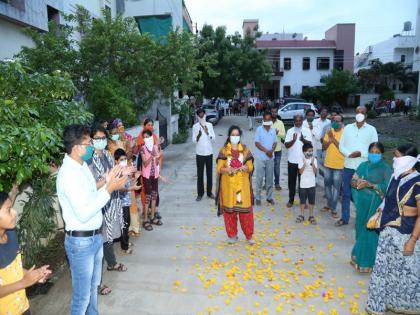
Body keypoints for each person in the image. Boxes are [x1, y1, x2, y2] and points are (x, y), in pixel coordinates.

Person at [56, 124, 126, 315]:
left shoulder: (81, 166)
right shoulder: (69, 174)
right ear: (77, 146)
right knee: (82, 298)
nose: (91, 146)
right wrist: (110, 189)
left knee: (92, 292)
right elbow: (84, 213)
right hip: (81, 242)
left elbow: (92, 191)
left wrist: (108, 179)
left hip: (95, 238)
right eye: (88, 143)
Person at [366, 144, 420, 315]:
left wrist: (412, 241)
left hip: (406, 235)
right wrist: (380, 210)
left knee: (404, 274)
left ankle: (402, 304)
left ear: (408, 160)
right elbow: (389, 199)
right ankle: (382, 303)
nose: (394, 160)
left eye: (398, 157)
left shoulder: (417, 182)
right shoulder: (396, 177)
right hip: (388, 234)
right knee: (385, 271)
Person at [0, 191, 51, 315]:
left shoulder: (11, 233)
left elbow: (12, 269)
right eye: (8, 210)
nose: (15, 212)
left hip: (22, 307)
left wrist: (33, 275)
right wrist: (24, 282)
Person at [88, 126, 128, 274]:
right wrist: (107, 180)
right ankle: (106, 269)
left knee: (107, 235)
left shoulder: (107, 154)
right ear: (91, 140)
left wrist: (122, 174)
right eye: (97, 139)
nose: (101, 141)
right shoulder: (89, 160)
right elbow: (92, 185)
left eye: (103, 138)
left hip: (111, 200)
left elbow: (114, 174)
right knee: (103, 236)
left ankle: (111, 263)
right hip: (99, 202)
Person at [350, 142, 392, 273]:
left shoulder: (386, 168)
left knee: (369, 231)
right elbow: (353, 180)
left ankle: (368, 262)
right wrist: (357, 183)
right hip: (362, 203)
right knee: (360, 227)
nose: (374, 154)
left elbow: (388, 187)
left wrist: (371, 185)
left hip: (375, 204)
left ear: (382, 154)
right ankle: (358, 257)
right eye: (372, 152)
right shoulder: (363, 165)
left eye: (377, 152)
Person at [337, 106, 378, 226]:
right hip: (348, 165)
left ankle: (363, 219)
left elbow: (375, 149)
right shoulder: (348, 128)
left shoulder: (372, 130)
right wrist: (349, 154)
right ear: (355, 114)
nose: (360, 114)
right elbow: (341, 145)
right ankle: (345, 218)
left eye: (362, 112)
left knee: (363, 194)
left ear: (366, 115)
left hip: (363, 167)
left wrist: (361, 154)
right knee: (346, 193)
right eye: (357, 112)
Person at [216, 126, 255, 245]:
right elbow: (219, 168)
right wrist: (227, 170)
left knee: (245, 213)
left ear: (240, 136)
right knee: (229, 213)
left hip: (241, 188)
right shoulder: (223, 151)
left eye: (237, 135)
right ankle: (232, 236)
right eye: (232, 135)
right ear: (229, 136)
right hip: (228, 187)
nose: (234, 137)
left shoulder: (245, 150)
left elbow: (251, 166)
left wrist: (246, 167)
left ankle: (249, 236)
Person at [114, 148, 141, 254]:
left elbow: (129, 184)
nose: (124, 161)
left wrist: (136, 178)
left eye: (125, 159)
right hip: (121, 203)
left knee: (126, 222)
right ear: (116, 161)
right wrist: (132, 188)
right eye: (121, 159)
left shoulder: (126, 171)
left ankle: (125, 241)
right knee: (125, 224)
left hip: (127, 201)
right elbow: (121, 188)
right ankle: (124, 247)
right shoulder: (117, 173)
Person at [284, 114, 313, 208]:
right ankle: (291, 200)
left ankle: (303, 201)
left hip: (303, 161)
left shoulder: (307, 130)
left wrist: (303, 140)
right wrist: (293, 140)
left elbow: (310, 144)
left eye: (300, 120)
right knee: (291, 182)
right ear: (293, 121)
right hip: (292, 160)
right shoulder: (289, 131)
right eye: (296, 120)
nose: (298, 122)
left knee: (303, 182)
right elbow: (286, 145)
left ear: (302, 121)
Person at [322, 114, 345, 218]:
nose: (336, 123)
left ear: (342, 123)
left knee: (336, 188)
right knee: (327, 185)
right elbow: (323, 147)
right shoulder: (329, 130)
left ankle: (334, 208)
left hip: (339, 165)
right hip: (328, 163)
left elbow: (342, 148)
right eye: (334, 121)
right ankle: (329, 204)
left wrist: (332, 139)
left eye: (338, 121)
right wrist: (329, 140)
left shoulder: (345, 133)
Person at [140, 129, 162, 231]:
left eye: (147, 137)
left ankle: (152, 217)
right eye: (144, 137)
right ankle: (145, 220)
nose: (146, 139)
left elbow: (157, 162)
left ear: (151, 137)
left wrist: (157, 156)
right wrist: (152, 155)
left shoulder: (155, 147)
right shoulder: (142, 149)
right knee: (148, 196)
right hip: (147, 176)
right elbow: (145, 163)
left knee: (154, 195)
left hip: (155, 175)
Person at [254, 111, 277, 206]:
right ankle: (258, 198)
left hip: (270, 158)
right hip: (260, 158)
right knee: (259, 179)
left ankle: (269, 197)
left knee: (270, 179)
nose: (267, 121)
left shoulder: (273, 130)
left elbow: (275, 142)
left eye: (269, 119)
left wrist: (271, 151)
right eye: (266, 119)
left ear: (271, 120)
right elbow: (257, 143)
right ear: (263, 120)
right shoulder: (259, 129)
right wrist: (267, 151)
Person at [192, 108, 216, 201]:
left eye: (202, 114)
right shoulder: (195, 127)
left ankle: (209, 193)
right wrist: (198, 136)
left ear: (205, 115)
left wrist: (208, 133)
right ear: (198, 116)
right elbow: (193, 141)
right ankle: (200, 194)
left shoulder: (209, 125)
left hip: (209, 152)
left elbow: (213, 138)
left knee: (209, 174)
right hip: (199, 153)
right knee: (200, 174)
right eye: (199, 115)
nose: (201, 116)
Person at [296, 143, 318, 225]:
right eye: (309, 151)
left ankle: (311, 216)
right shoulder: (301, 159)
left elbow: (315, 172)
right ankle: (301, 215)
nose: (310, 153)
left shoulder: (314, 160)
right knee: (302, 201)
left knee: (311, 201)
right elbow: (300, 172)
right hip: (303, 184)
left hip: (311, 184)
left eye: (312, 151)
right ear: (304, 152)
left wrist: (312, 164)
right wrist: (305, 164)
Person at [270, 106, 286, 190]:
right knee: (268, 167)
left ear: (277, 112)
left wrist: (277, 133)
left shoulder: (280, 123)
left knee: (277, 168)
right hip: (268, 150)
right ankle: (267, 183)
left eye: (275, 112)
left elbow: (284, 135)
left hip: (277, 149)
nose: (274, 113)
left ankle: (277, 183)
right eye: (272, 112)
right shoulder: (266, 122)